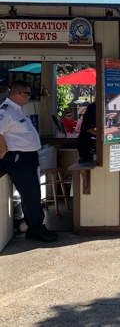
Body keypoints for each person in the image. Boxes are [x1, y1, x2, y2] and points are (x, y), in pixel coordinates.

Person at [0, 81, 58, 242]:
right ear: (20, 95)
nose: (30, 98)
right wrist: (4, 150)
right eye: (28, 95)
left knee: (34, 193)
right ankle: (36, 230)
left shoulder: (19, 110)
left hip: (28, 157)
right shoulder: (6, 112)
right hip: (19, 158)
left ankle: (37, 226)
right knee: (30, 194)